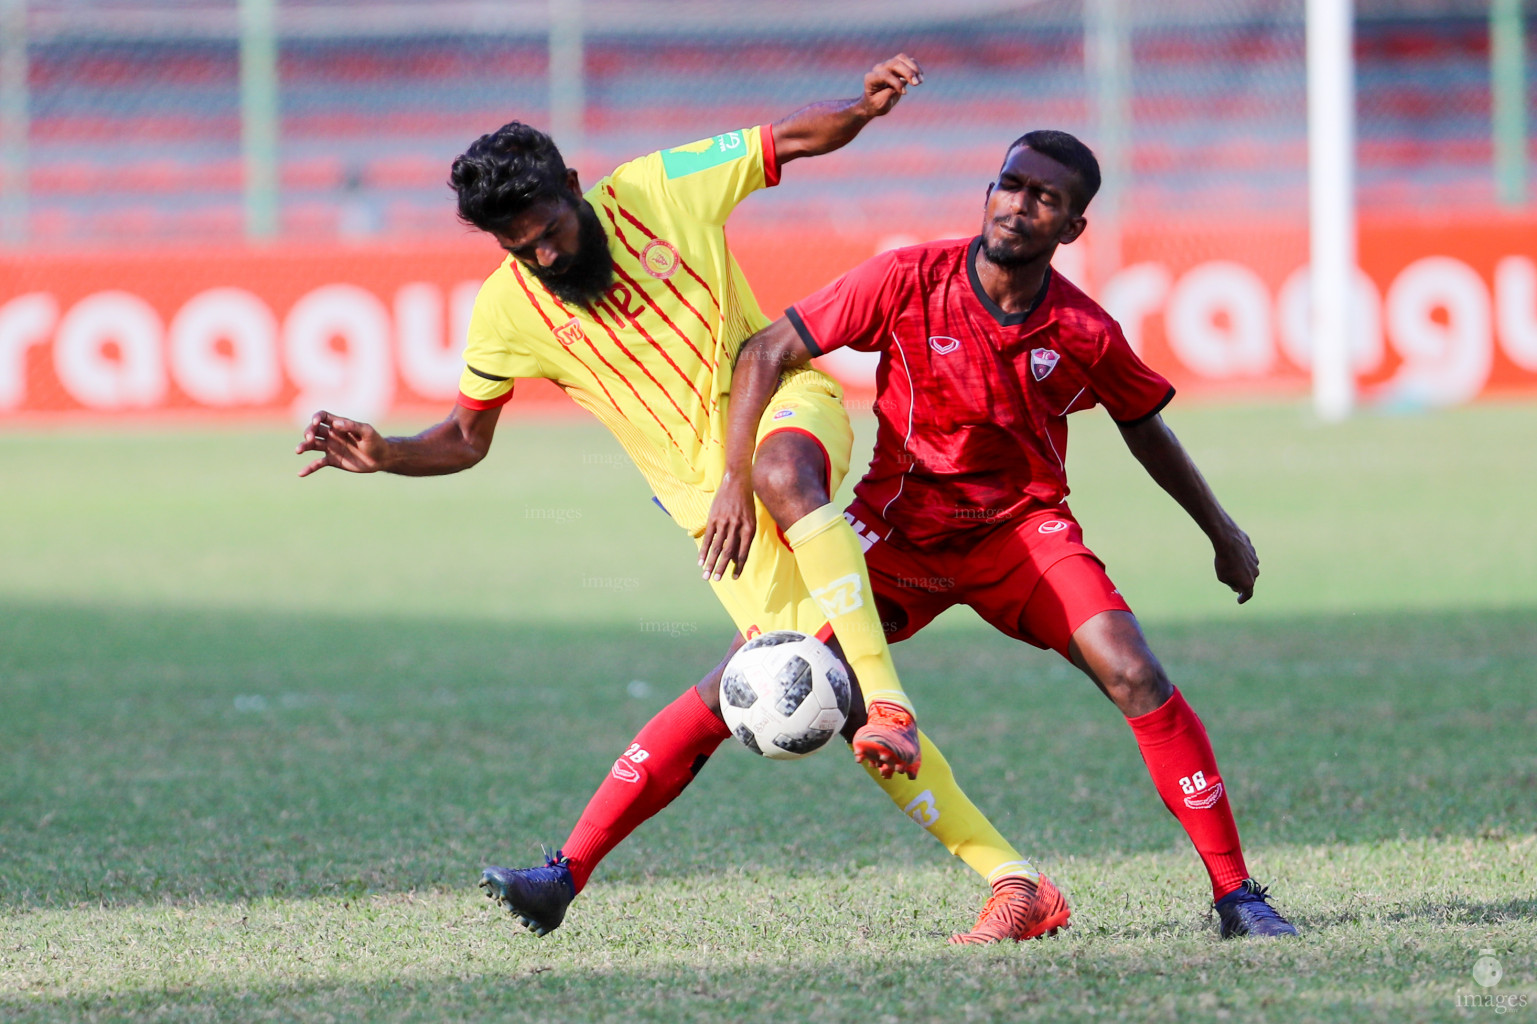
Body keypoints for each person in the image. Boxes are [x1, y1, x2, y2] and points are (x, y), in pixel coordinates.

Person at [295, 57, 1066, 944]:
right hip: (710, 521)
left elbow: (792, 139)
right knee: (799, 688)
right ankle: (566, 876)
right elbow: (467, 439)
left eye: (549, 229)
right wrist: (389, 453)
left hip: (784, 414)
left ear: (575, 190)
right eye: (520, 246)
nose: (544, 255)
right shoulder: (507, 311)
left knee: (785, 483)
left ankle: (896, 707)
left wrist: (862, 108)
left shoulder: (659, 189)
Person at [544, 130, 1300, 942]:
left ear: (1072, 228)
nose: (1018, 203)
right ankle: (565, 872)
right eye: (1010, 183)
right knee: (753, 675)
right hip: (895, 535)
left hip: (1021, 533)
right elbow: (769, 348)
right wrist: (733, 477)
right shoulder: (909, 277)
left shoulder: (1084, 330)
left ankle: (1236, 896)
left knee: (1132, 669)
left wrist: (1220, 532)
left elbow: (1144, 426)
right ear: (989, 188)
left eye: (1045, 198)